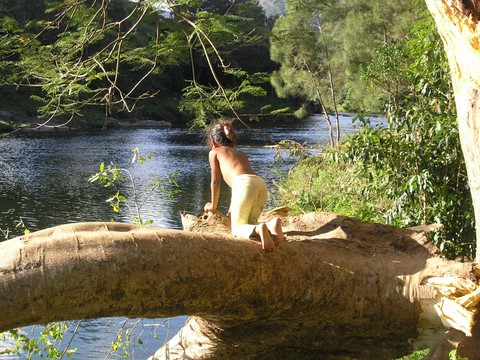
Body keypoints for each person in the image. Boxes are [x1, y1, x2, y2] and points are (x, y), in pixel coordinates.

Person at [203, 117, 284, 251]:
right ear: (231, 140)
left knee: (237, 229)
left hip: (244, 185)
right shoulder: (240, 153)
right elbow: (245, 179)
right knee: (249, 223)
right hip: (260, 184)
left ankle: (260, 228)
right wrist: (231, 209)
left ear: (213, 142)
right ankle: (271, 226)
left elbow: (216, 182)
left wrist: (213, 205)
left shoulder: (214, 152)